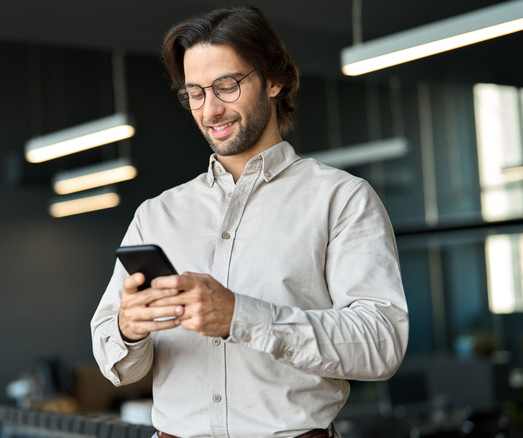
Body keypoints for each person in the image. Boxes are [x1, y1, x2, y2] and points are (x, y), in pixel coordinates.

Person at [91, 5, 409, 438]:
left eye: (226, 86)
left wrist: (242, 315)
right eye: (195, 93)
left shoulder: (341, 199)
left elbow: (381, 344)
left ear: (274, 79)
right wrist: (128, 330)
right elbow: (121, 369)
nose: (209, 111)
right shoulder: (156, 215)